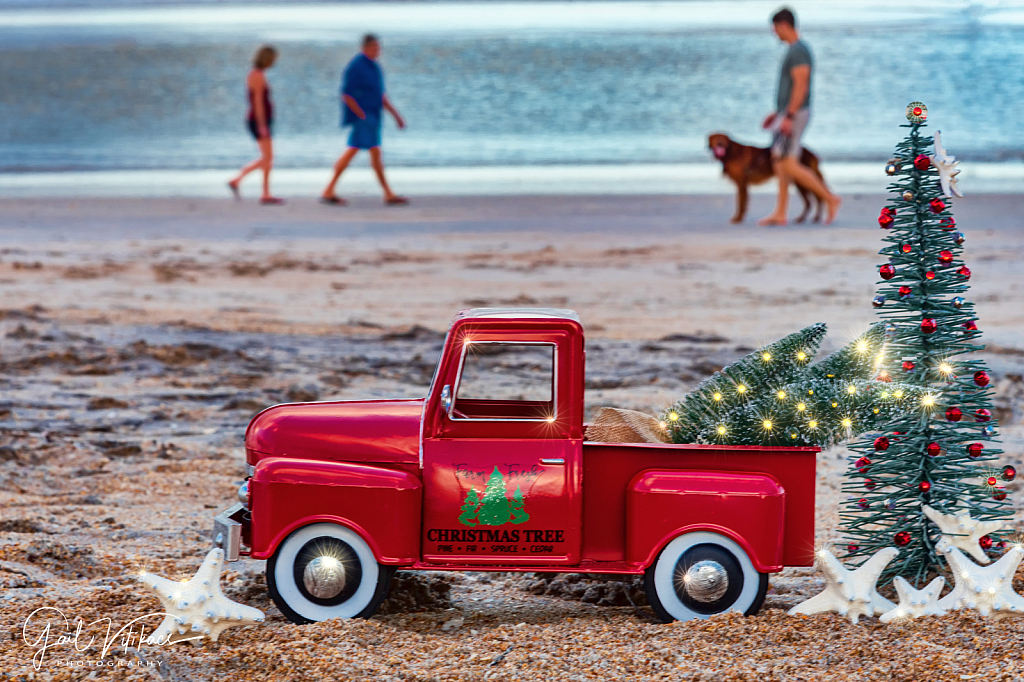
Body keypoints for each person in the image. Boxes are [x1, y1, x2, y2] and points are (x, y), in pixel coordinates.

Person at [757, 8, 840, 226]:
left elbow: (801, 84)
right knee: (780, 161)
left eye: (775, 28)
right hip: (788, 112)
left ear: (784, 25)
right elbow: (792, 86)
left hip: (796, 112)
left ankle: (830, 198)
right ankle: (780, 212)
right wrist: (778, 113)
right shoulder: (795, 50)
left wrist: (789, 115)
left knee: (788, 161)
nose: (774, 33)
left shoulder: (799, 51)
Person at [321, 34, 408, 206]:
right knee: (371, 153)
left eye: (378, 48)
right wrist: (360, 115)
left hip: (374, 115)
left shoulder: (375, 67)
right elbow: (346, 94)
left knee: (358, 152)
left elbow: (380, 95)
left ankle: (329, 189)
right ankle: (388, 193)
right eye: (374, 48)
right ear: (365, 48)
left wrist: (396, 115)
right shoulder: (356, 67)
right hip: (364, 117)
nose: (377, 51)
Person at [228, 45, 284, 205]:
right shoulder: (257, 76)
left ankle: (240, 181)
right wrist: (262, 125)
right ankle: (260, 191)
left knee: (267, 158)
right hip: (259, 120)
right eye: (273, 59)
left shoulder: (257, 74)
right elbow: (258, 103)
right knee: (268, 157)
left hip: (262, 119)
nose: (274, 62)